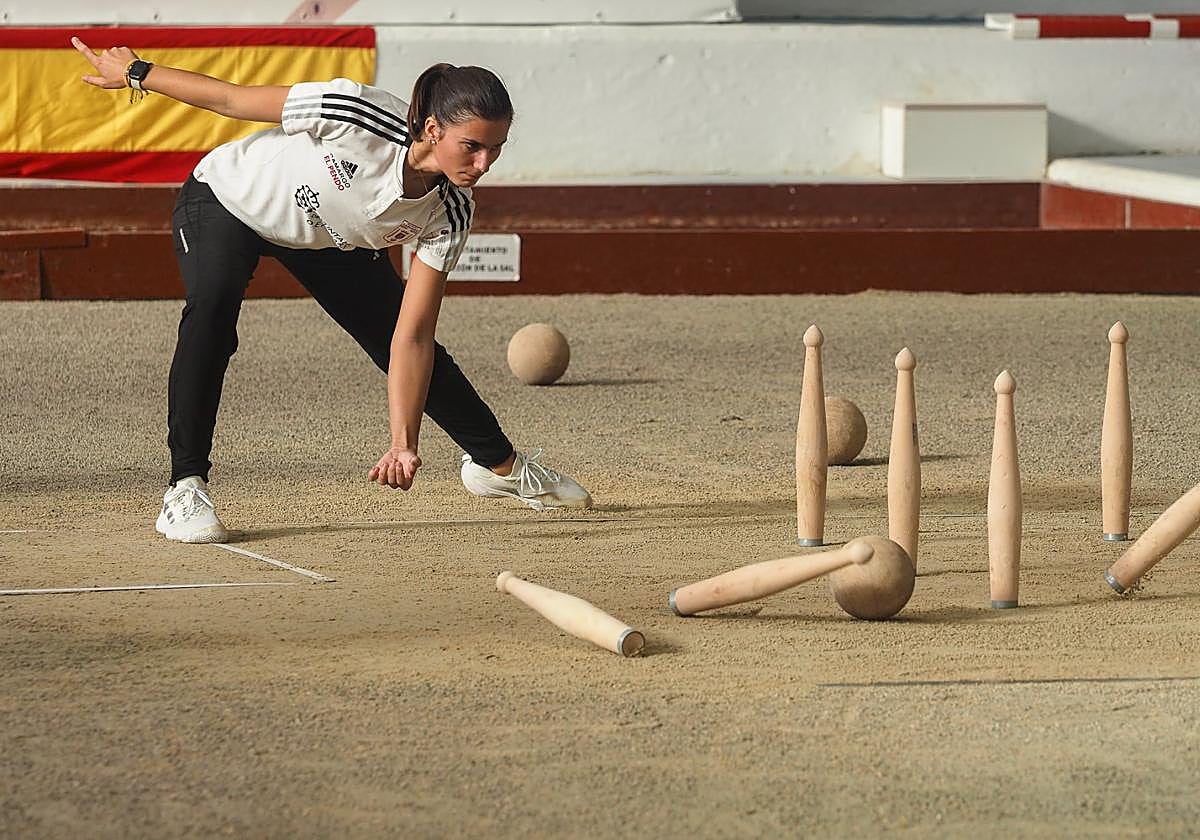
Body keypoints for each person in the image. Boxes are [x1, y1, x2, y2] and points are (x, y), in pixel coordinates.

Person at [71, 37, 592, 543]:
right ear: (433, 129)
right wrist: (137, 73)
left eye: (495, 150)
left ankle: (497, 466)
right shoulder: (355, 113)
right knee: (211, 309)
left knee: (406, 341)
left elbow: (410, 338)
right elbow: (232, 98)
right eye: (472, 147)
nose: (483, 165)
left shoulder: (450, 211)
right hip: (228, 202)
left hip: (324, 241)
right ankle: (185, 487)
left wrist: (402, 444)